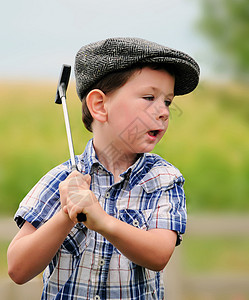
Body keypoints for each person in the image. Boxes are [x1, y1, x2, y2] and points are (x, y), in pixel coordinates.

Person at [7, 37, 200, 299]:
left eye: (167, 101)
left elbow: (159, 254)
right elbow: (18, 268)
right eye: (148, 97)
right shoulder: (63, 179)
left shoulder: (163, 179)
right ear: (99, 105)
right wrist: (67, 213)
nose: (164, 112)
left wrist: (102, 221)